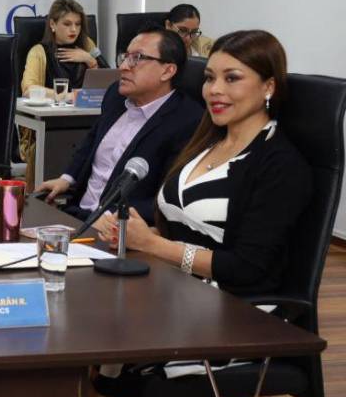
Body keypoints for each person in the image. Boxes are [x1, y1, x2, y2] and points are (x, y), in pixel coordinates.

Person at [94, 30, 311, 296]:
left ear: (269, 87)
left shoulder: (281, 165)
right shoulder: (206, 143)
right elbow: (184, 232)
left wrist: (151, 244)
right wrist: (135, 233)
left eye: (232, 78)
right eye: (209, 78)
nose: (214, 90)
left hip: (231, 307)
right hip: (170, 288)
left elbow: (246, 268)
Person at [35, 27, 203, 222]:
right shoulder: (116, 95)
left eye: (136, 58)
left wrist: (113, 218)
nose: (123, 66)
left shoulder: (188, 121)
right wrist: (67, 178)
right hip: (78, 214)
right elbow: (92, 140)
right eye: (125, 57)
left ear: (167, 71)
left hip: (120, 227)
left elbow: (170, 197)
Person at [20, 0, 103, 97]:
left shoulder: (87, 44)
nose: (74, 29)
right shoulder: (38, 52)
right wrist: (66, 96)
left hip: (86, 106)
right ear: (52, 24)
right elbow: (28, 90)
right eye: (67, 24)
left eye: (78, 24)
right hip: (53, 107)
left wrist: (90, 60)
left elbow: (107, 86)